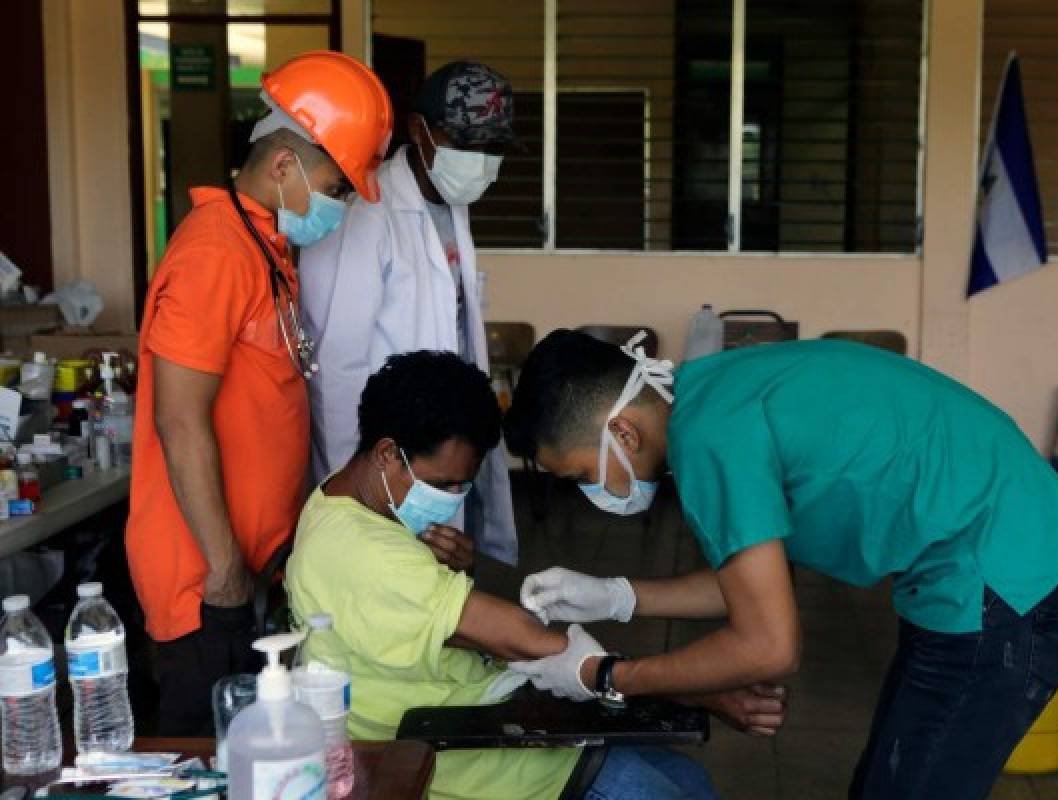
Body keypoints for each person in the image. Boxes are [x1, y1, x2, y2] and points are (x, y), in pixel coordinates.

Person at [502, 331, 1058, 800]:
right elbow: (755, 582)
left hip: (1001, 576)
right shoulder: (710, 395)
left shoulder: (710, 440)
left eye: (581, 475)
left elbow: (770, 646)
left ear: (623, 434)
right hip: (997, 550)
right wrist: (617, 595)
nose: (590, 494)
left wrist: (604, 676)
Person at [285, 352, 780, 800]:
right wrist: (706, 691)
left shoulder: (340, 499)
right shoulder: (366, 554)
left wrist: (467, 575)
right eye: (443, 484)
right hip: (474, 762)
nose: (453, 498)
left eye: (465, 484)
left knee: (691, 783)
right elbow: (531, 643)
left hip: (491, 715)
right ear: (389, 453)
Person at [126, 50, 392, 735]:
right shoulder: (214, 253)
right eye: (336, 186)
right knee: (207, 754)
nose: (339, 205)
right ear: (283, 167)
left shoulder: (263, 249)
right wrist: (222, 570)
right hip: (206, 579)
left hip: (251, 564)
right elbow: (179, 422)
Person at [299, 61, 519, 565]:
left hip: (442, 445)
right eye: (467, 144)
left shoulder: (449, 204)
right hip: (386, 460)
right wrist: (351, 500)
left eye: (494, 148)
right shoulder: (363, 210)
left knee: (436, 582)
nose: (482, 160)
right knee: (383, 579)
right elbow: (336, 370)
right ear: (420, 131)